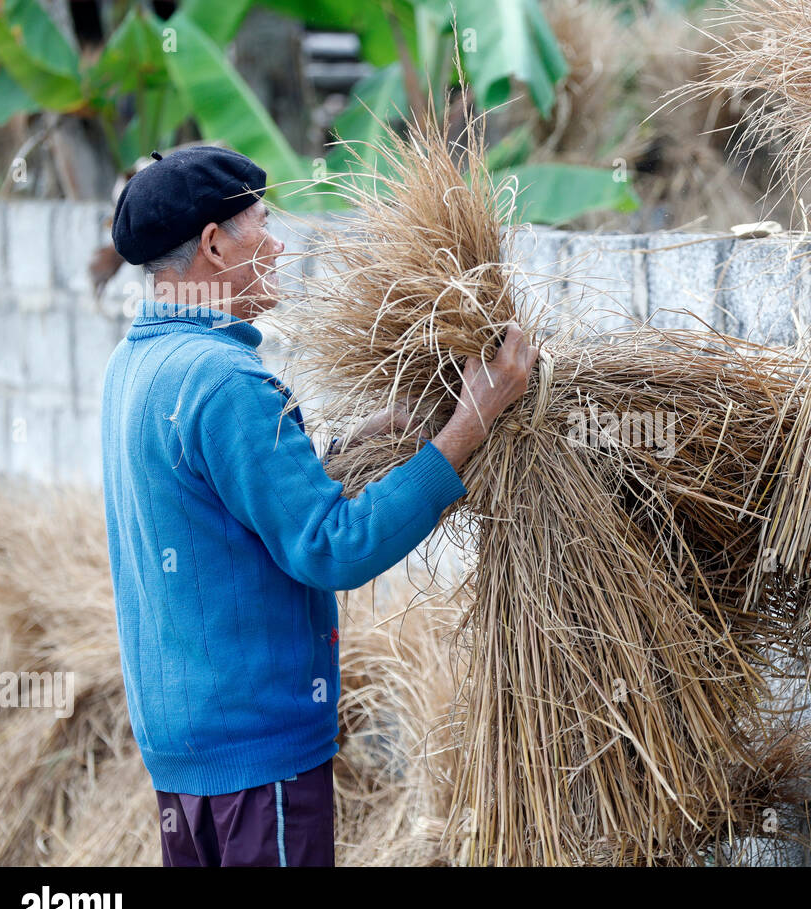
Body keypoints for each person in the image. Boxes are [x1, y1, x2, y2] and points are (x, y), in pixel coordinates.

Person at [101, 145, 537, 866]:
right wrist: (471, 423)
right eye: (262, 226)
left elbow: (222, 502)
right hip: (258, 759)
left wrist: (340, 447)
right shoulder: (225, 381)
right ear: (213, 245)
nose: (278, 247)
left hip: (186, 754)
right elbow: (335, 546)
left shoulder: (137, 366)